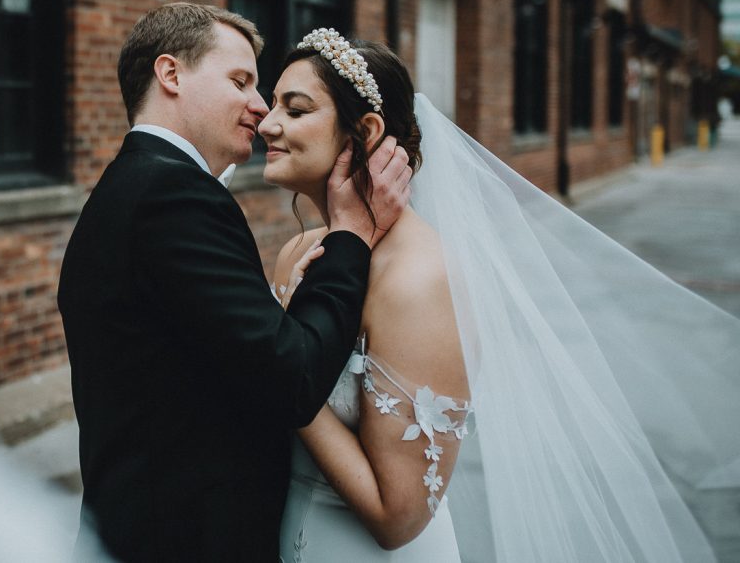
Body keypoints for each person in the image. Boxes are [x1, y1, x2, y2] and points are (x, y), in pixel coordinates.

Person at [262, 29, 740, 562]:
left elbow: (398, 516)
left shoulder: (420, 281)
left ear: (365, 131)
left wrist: (280, 373)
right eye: (272, 102)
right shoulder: (296, 253)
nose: (267, 123)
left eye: (295, 109)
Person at [57, 4, 412, 562]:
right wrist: (351, 236)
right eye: (241, 81)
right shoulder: (174, 198)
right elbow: (292, 375)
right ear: (170, 75)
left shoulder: (132, 186)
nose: (260, 107)